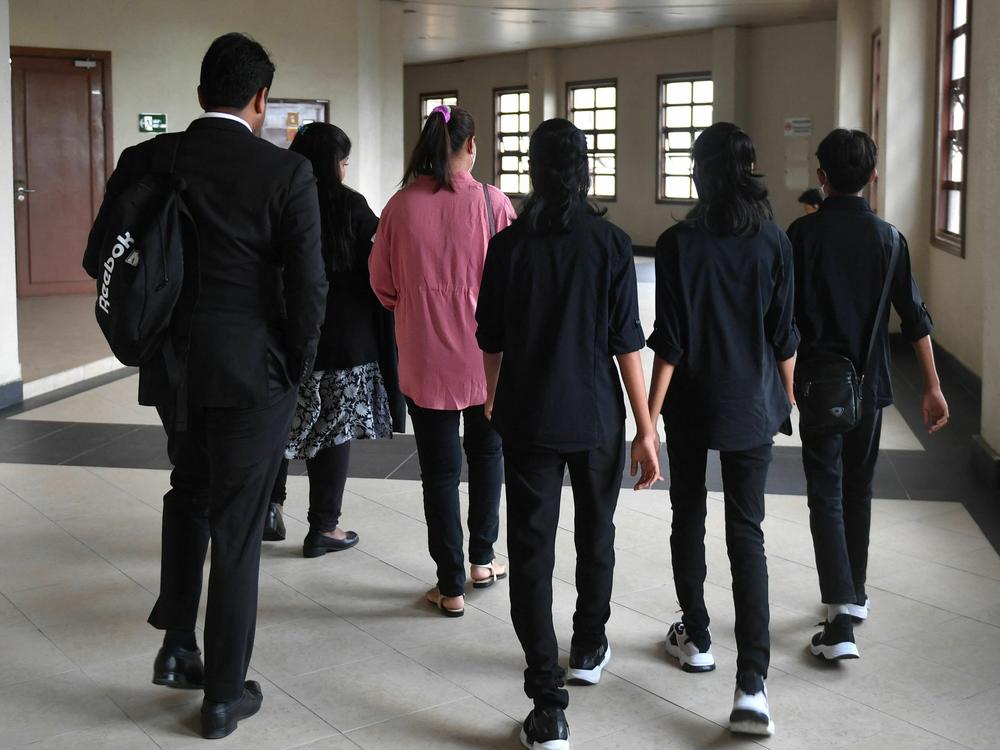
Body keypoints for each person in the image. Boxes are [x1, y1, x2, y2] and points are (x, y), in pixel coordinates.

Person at [83, 33, 327, 739]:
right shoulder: (284, 173)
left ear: (199, 96)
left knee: (188, 492)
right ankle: (222, 694)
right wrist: (294, 366)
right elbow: (308, 289)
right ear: (260, 100)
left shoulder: (148, 159)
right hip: (254, 370)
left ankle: (176, 647)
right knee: (238, 525)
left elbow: (109, 254)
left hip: (173, 367)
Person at [477, 118, 661, 750]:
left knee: (529, 552)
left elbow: (491, 340)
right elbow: (626, 344)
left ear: (533, 169)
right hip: (595, 420)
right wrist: (646, 428)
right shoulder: (612, 243)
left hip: (528, 418)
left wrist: (492, 399)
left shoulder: (508, 246)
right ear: (585, 169)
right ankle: (587, 645)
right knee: (596, 534)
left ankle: (546, 703)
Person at [646, 122, 798, 738]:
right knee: (748, 534)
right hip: (752, 406)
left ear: (700, 171)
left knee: (688, 515)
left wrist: (648, 422)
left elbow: (672, 342)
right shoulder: (775, 241)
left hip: (692, 405)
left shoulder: (678, 242)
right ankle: (753, 687)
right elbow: (784, 335)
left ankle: (698, 637)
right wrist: (784, 398)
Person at [788, 128, 948, 661]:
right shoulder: (890, 238)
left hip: (816, 386)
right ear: (873, 177)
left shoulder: (800, 237)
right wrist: (932, 386)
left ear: (821, 177)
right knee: (857, 489)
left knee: (825, 494)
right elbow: (916, 318)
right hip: (870, 387)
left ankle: (839, 621)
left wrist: (781, 379)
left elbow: (782, 321)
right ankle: (852, 596)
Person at [369, 105, 516, 617]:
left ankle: (449, 584)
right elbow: (515, 283)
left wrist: (416, 304)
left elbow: (382, 286)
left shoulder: (400, 206)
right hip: (487, 360)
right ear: (471, 147)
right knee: (487, 455)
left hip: (426, 356)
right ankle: (482, 559)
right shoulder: (494, 205)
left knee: (438, 471)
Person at [262, 123, 405, 557]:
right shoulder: (352, 206)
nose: (345, 170)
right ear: (334, 165)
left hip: (286, 338)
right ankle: (323, 527)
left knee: (279, 426)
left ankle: (270, 507)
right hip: (346, 341)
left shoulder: (280, 199)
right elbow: (384, 267)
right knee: (333, 433)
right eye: (344, 162)